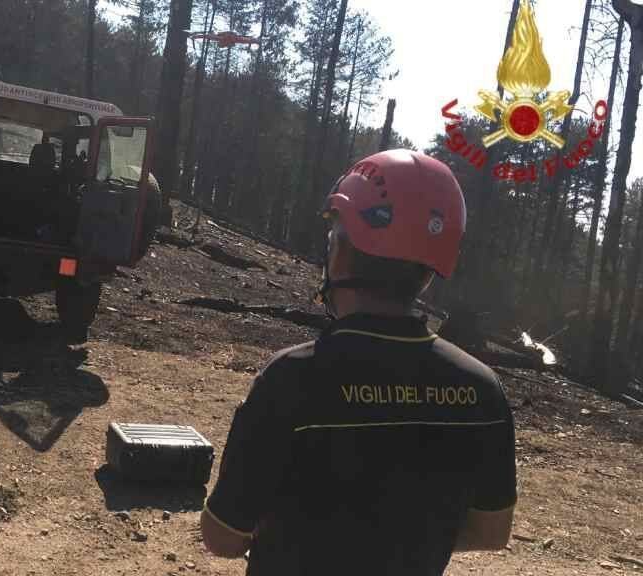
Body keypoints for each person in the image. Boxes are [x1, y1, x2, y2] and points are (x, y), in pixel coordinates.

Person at [200, 149, 517, 575]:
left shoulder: (292, 379)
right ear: (429, 271)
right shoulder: (481, 390)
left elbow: (223, 537)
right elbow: (491, 532)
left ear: (340, 252)